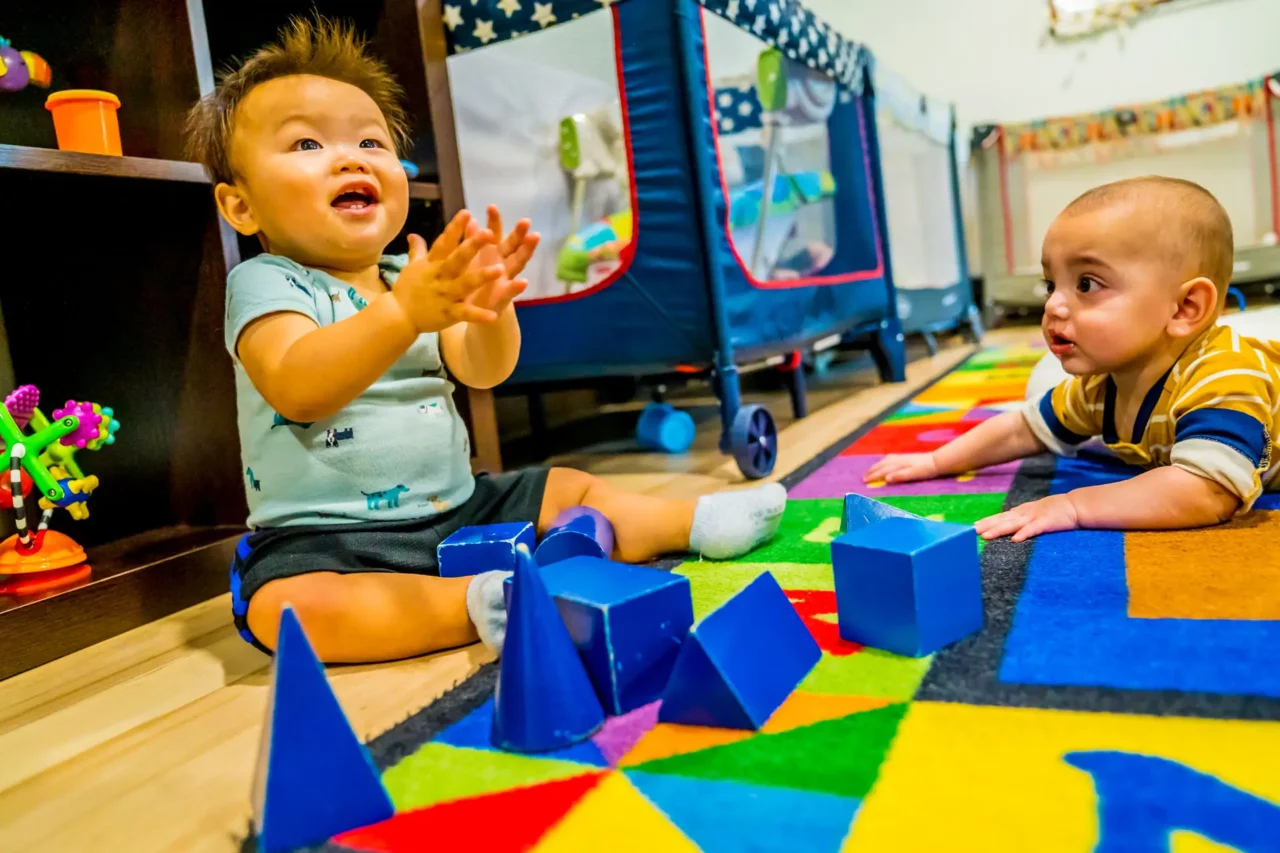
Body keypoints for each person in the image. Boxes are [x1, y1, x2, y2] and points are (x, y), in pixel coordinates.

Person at [186, 17, 785, 663]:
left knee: (570, 485)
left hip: (460, 504)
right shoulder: (268, 282)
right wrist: (403, 315)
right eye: (306, 144)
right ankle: (478, 602)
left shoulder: (410, 279)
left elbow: (482, 371)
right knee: (288, 608)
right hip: (330, 539)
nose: (351, 156)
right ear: (240, 206)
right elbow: (297, 386)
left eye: (371, 141)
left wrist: (492, 311)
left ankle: (688, 523)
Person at [867, 176, 1279, 542]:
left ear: (1185, 307)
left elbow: (1206, 492)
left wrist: (1074, 506)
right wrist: (937, 460)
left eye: (1086, 284)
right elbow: (1022, 430)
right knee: (1041, 392)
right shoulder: (1101, 387)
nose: (1054, 307)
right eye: (1051, 285)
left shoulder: (1226, 374)